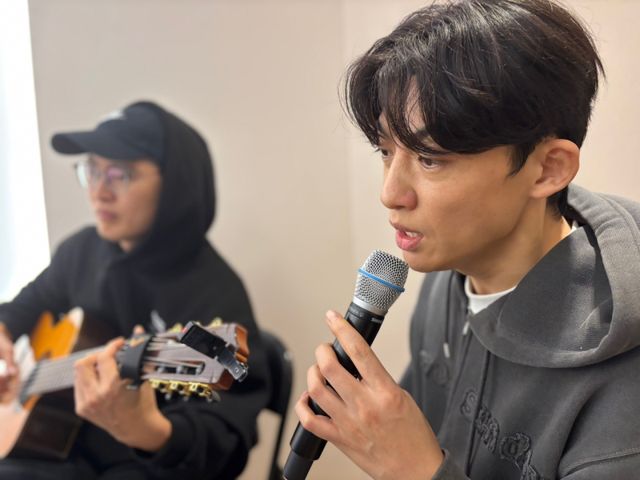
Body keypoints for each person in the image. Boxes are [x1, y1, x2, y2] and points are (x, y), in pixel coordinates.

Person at [295, 1, 640, 478]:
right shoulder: (446, 280)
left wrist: (417, 470)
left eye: (430, 158)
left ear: (548, 168)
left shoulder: (625, 382)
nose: (390, 193)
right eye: (385, 150)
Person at [0, 101, 270, 479]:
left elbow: (226, 440)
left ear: (175, 186)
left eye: (119, 174)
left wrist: (148, 431)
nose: (99, 192)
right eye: (92, 171)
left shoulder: (215, 293)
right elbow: (26, 305)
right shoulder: (81, 250)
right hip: (54, 451)